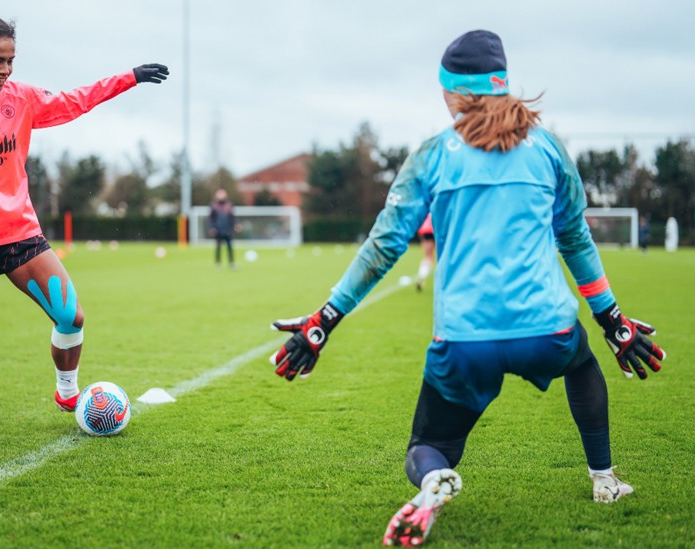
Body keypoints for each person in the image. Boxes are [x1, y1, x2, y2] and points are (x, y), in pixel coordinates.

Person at [267, 30, 666, 547]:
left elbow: (384, 246)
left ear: (454, 92)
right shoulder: (547, 149)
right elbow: (575, 239)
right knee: (583, 363)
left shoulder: (434, 154)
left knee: (427, 445)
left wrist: (324, 321)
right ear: (502, 85)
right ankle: (605, 480)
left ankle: (434, 481)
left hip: (463, 339)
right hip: (548, 328)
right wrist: (613, 321)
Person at [0, 10, 169, 452]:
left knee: (71, 316)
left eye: (11, 61)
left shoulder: (20, 98)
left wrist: (129, 77)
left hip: (19, 231)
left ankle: (67, 390)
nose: (5, 71)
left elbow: (75, 100)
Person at [208, 188, 237, 270]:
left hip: (228, 229)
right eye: (219, 194)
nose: (221, 195)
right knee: (218, 247)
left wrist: (235, 225)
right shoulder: (214, 206)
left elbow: (232, 217)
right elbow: (211, 218)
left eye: (222, 194)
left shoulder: (229, 205)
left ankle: (232, 263)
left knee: (230, 247)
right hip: (218, 230)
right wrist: (212, 227)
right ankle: (218, 264)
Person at [414, 214, 435, 292]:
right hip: (433, 229)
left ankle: (421, 275)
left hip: (425, 230)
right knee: (432, 257)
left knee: (427, 256)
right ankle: (423, 276)